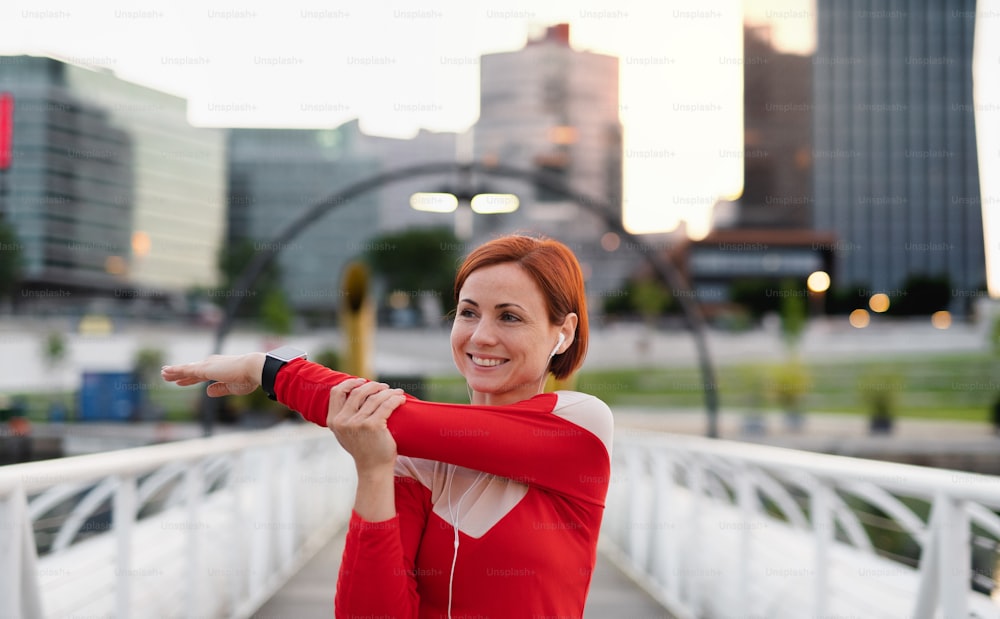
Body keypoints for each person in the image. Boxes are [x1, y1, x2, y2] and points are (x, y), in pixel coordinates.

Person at [161, 234, 613, 618]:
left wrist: (267, 369)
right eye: (468, 312)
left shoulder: (581, 426)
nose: (480, 336)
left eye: (509, 316)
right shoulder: (415, 460)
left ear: (564, 332)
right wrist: (375, 473)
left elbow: (402, 417)